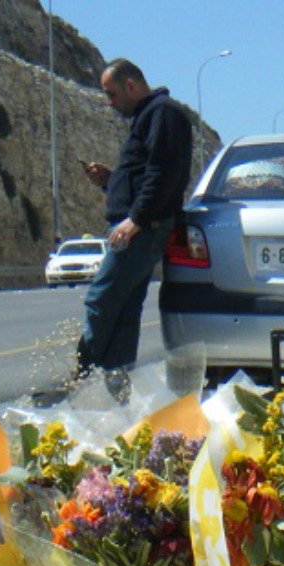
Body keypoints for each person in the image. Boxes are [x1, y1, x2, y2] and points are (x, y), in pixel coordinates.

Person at [77, 58, 192, 396]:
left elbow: (162, 173)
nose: (109, 103)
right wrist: (111, 181)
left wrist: (136, 220)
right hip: (140, 224)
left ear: (131, 85)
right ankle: (116, 390)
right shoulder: (150, 116)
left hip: (143, 227)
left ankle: (83, 379)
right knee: (125, 309)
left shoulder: (163, 113)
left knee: (101, 299)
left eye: (112, 94)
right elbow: (144, 177)